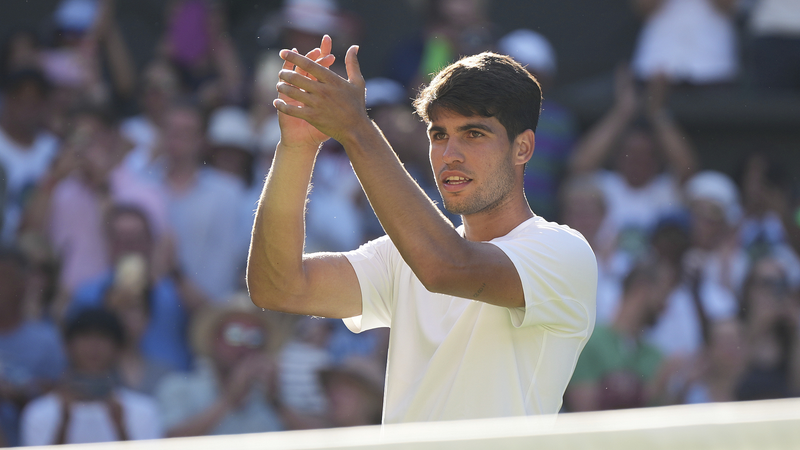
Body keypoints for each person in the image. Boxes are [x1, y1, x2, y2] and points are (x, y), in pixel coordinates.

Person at [247, 35, 597, 423]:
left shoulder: (566, 252)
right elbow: (277, 287)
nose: (450, 155)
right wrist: (296, 147)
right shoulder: (407, 253)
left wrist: (355, 129)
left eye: (474, 134)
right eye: (438, 135)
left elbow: (445, 266)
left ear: (523, 148)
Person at [20, 308, 162, 445]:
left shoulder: (144, 410)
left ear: (118, 348)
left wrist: (120, 428)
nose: (94, 346)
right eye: (85, 337)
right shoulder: (38, 413)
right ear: (67, 347)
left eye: (103, 337)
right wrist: (64, 422)